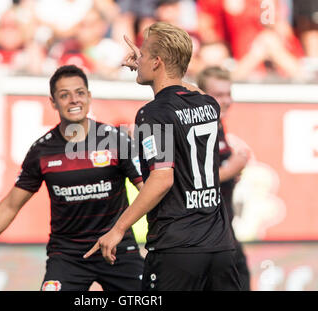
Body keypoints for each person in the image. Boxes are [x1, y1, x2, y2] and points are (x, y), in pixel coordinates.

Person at [0, 65, 145, 291]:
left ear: (89, 97)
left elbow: (148, 190)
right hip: (68, 257)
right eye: (64, 95)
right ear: (53, 102)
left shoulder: (116, 140)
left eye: (80, 93)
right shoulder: (42, 151)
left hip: (117, 251)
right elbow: (11, 205)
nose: (74, 100)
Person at [85, 22, 241, 291]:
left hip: (177, 249)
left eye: (143, 54)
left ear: (157, 62)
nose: (138, 58)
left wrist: (118, 228)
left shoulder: (154, 113)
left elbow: (162, 178)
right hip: (221, 249)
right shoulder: (209, 105)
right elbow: (190, 90)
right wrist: (158, 67)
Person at [197, 66, 251, 290]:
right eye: (218, 95)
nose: (226, 100)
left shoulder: (217, 125)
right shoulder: (198, 128)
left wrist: (230, 174)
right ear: (202, 96)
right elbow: (193, 178)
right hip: (203, 235)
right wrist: (231, 169)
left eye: (228, 94)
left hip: (223, 230)